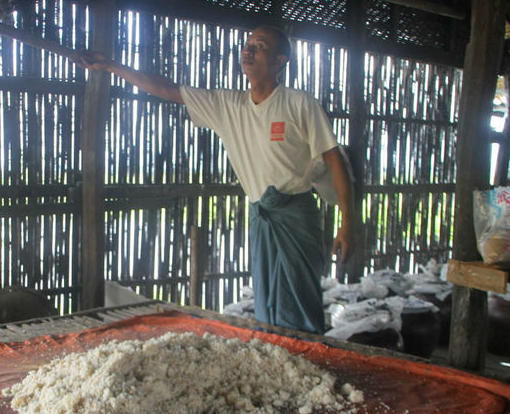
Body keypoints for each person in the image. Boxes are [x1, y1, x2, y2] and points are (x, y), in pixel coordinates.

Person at [77, 26, 355, 334]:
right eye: (247, 45)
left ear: (279, 61)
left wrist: (348, 223)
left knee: (300, 300)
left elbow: (335, 159)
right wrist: (111, 66)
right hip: (261, 217)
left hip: (296, 218)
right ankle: (280, 359)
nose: (248, 51)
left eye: (259, 46)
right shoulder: (228, 105)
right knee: (268, 303)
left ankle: (310, 359)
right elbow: (168, 89)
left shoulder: (299, 104)